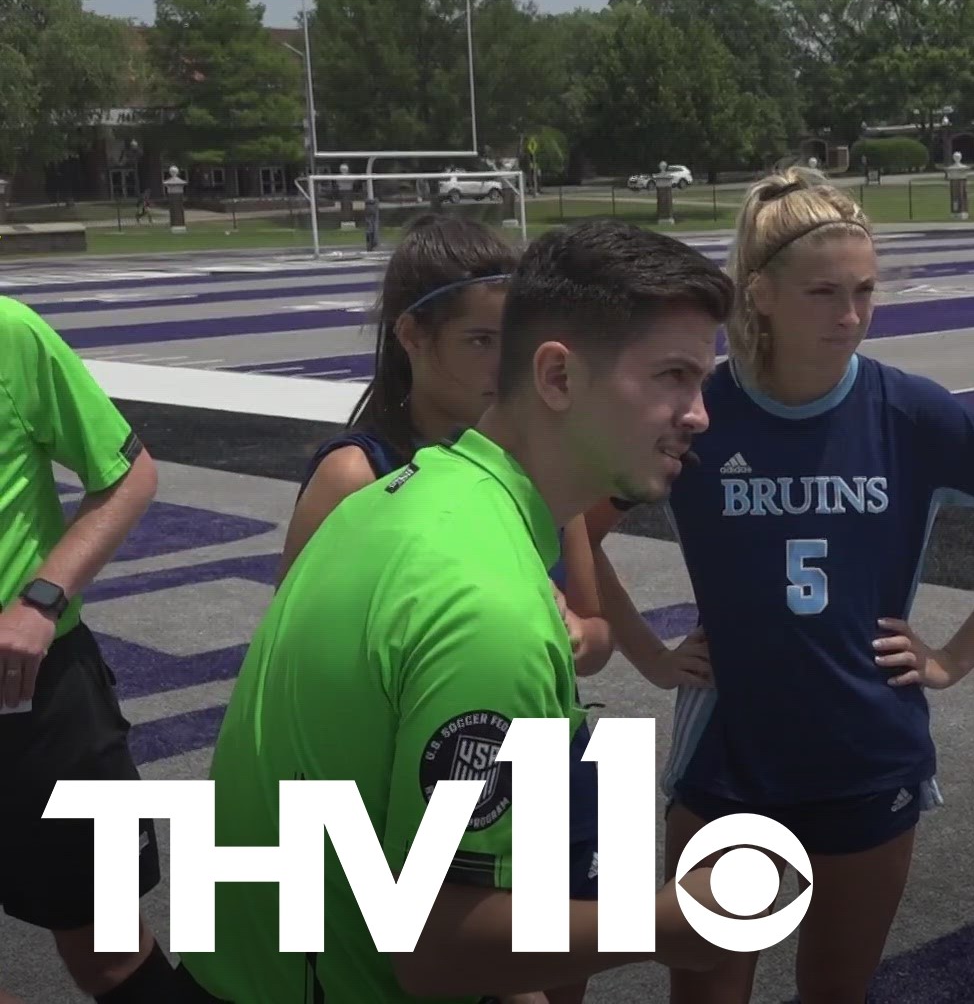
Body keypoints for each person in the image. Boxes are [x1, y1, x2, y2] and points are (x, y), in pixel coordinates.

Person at [174, 219, 736, 1003]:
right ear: (558, 378)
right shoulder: (488, 606)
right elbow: (437, 947)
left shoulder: (408, 496)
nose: (699, 412)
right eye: (673, 375)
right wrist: (678, 925)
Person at [657, 167, 974, 1004]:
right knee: (706, 991)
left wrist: (951, 657)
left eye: (865, 291)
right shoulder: (702, 411)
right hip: (729, 757)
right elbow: (575, 521)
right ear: (760, 294)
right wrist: (644, 650)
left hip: (867, 753)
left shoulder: (909, 410)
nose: (850, 316)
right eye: (823, 293)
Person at [0, 295, 191, 1002]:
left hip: (37, 696)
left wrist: (42, 595)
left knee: (109, 953)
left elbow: (128, 474)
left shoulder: (9, 334)